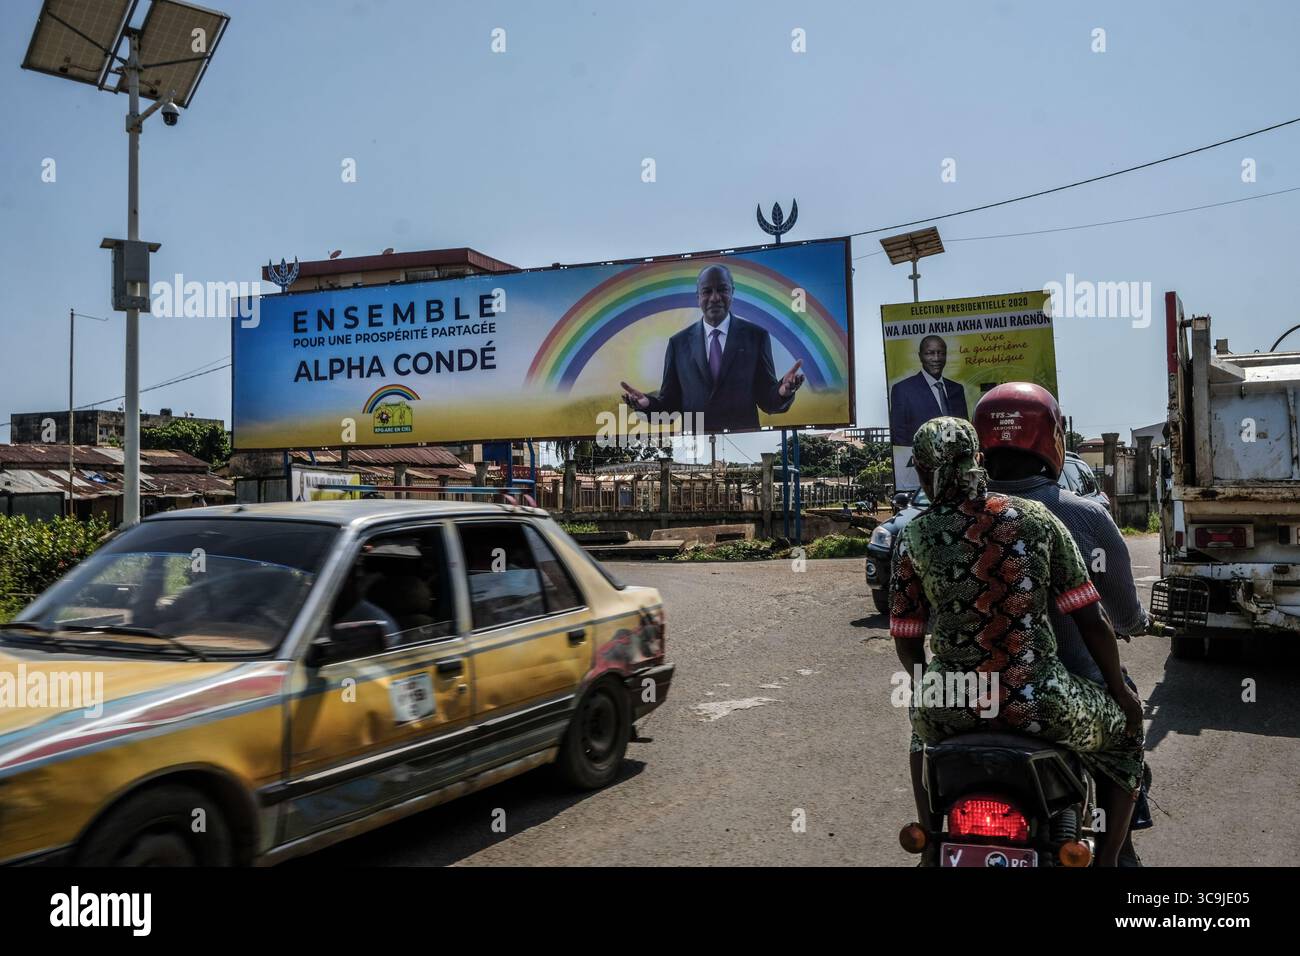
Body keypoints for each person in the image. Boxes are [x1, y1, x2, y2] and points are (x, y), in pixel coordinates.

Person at [889, 417, 1144, 866]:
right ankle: (1107, 862)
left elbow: (907, 636)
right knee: (1125, 739)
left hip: (952, 701)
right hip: (1038, 700)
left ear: (926, 472)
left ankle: (930, 846)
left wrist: (926, 687)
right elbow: (1091, 618)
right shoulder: (1034, 518)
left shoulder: (913, 535)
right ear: (978, 462)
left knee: (919, 733)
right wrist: (1121, 694)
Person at [974, 381, 1153, 865]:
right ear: (1051, 438)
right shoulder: (1080, 516)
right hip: (1070, 686)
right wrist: (1136, 627)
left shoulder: (946, 519)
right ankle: (1115, 855)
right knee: (1127, 741)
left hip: (967, 693)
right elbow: (1111, 612)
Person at [620, 264, 804, 432]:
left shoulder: (756, 337)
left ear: (732, 292)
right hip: (695, 446)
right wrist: (647, 405)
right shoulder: (678, 343)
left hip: (743, 439)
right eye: (707, 291)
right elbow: (670, 405)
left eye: (722, 290)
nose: (715, 298)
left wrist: (783, 391)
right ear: (698, 296)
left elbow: (767, 400)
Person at [888, 335, 968, 446]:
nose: (936, 358)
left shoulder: (957, 389)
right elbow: (899, 436)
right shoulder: (903, 390)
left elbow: (964, 430)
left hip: (956, 458)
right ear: (920, 356)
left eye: (941, 353)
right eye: (930, 353)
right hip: (921, 459)